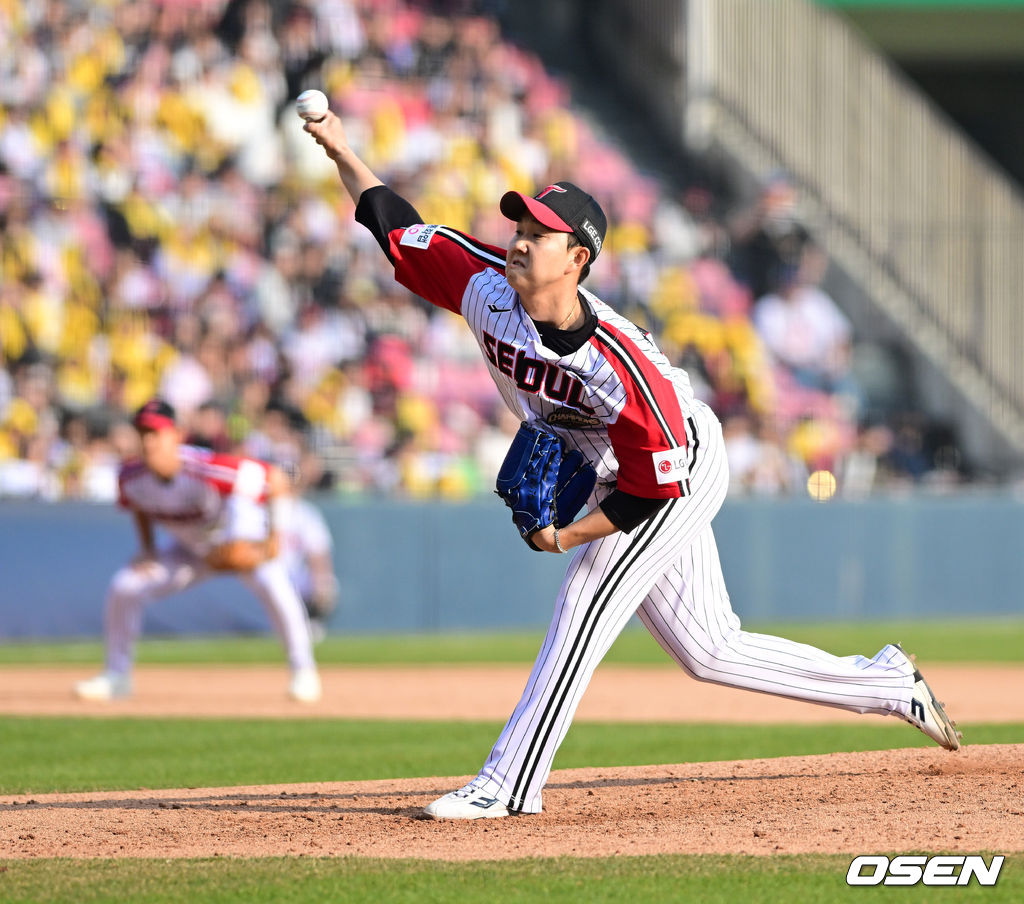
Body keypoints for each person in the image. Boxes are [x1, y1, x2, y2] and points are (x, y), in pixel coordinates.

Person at [303, 106, 961, 820]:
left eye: (538, 236)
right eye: (519, 228)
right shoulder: (483, 284)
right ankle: (885, 684)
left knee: (584, 597)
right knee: (709, 650)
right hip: (610, 462)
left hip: (675, 467)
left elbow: (648, 492)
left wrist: (567, 537)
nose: (518, 242)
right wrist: (341, 150)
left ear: (576, 260)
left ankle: (510, 784)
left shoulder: (620, 368)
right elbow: (393, 225)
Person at [73, 399, 322, 703]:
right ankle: (117, 676)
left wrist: (274, 540)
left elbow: (278, 479)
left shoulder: (206, 469)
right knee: (125, 586)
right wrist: (148, 549)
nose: (149, 441)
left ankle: (304, 671)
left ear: (177, 435)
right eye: (143, 433)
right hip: (189, 551)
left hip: (236, 542)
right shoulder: (130, 476)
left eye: (156, 433)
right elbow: (139, 506)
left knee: (276, 584)